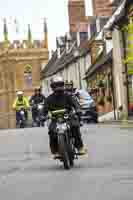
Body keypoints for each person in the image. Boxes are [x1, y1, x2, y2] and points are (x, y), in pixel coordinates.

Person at [43, 76, 86, 158]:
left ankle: (79, 147)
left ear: (63, 85)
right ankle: (55, 151)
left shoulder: (68, 96)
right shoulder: (49, 99)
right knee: (52, 131)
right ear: (52, 87)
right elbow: (44, 110)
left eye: (60, 85)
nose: (58, 87)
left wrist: (78, 109)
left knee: (75, 126)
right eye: (56, 85)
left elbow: (76, 104)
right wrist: (42, 115)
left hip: (68, 117)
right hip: (55, 120)